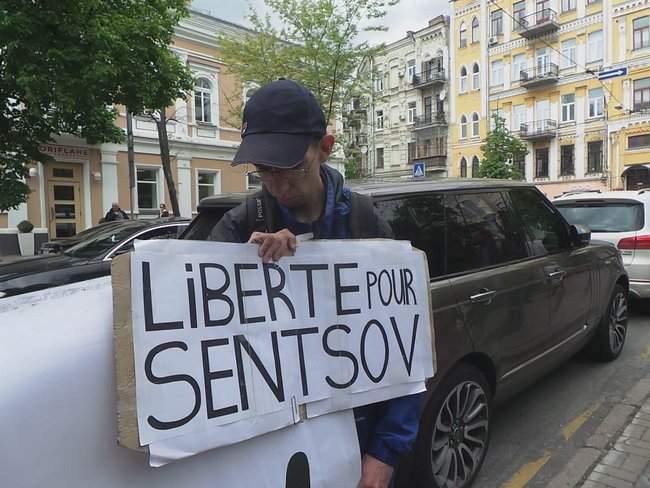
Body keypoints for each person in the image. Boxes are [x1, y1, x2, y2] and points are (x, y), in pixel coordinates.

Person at [209, 79, 423, 488]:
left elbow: (404, 349)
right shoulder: (240, 225)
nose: (279, 186)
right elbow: (201, 338)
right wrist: (237, 267)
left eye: (294, 169)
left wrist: (384, 453)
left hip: (358, 447)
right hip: (266, 453)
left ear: (325, 147)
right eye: (265, 172)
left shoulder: (365, 222)